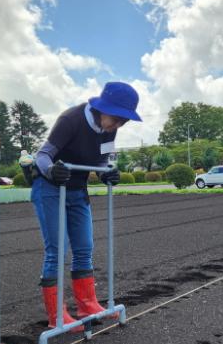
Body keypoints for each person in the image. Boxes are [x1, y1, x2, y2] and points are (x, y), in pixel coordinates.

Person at [27, 82, 141, 329]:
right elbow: (43, 155)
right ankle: (56, 315)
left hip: (77, 190)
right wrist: (50, 171)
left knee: (84, 247)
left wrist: (106, 173)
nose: (117, 125)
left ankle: (87, 303)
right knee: (57, 250)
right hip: (50, 187)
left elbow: (102, 160)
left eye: (123, 121)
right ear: (102, 108)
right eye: (116, 118)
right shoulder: (71, 119)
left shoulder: (109, 129)